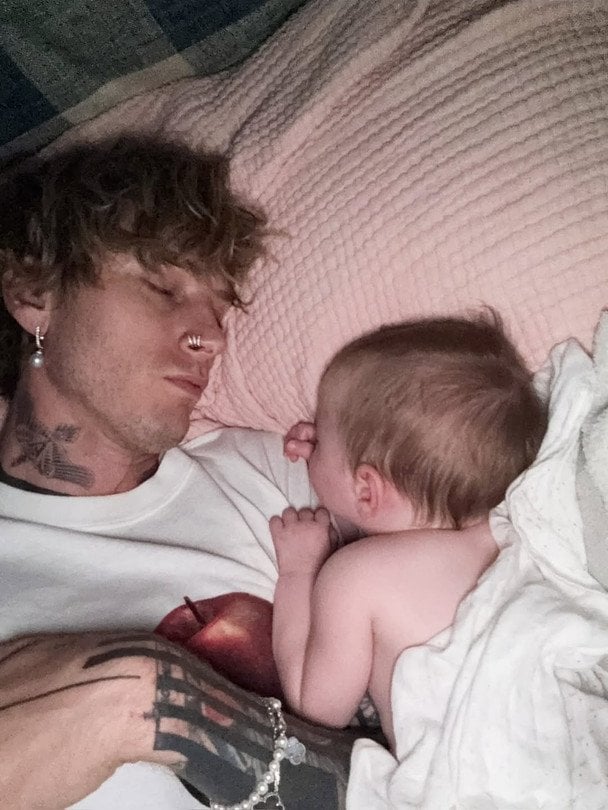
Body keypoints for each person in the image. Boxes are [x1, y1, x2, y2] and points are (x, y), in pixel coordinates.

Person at [0, 137, 373, 810]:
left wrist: (156, 702)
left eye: (220, 307)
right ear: (34, 293)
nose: (212, 336)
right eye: (162, 287)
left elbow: (457, 754)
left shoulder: (280, 480)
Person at [270, 314, 548, 752]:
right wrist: (332, 460)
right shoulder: (514, 531)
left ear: (367, 489)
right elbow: (385, 520)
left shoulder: (353, 577)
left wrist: (298, 571)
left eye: (320, 435)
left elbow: (316, 707)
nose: (311, 437)